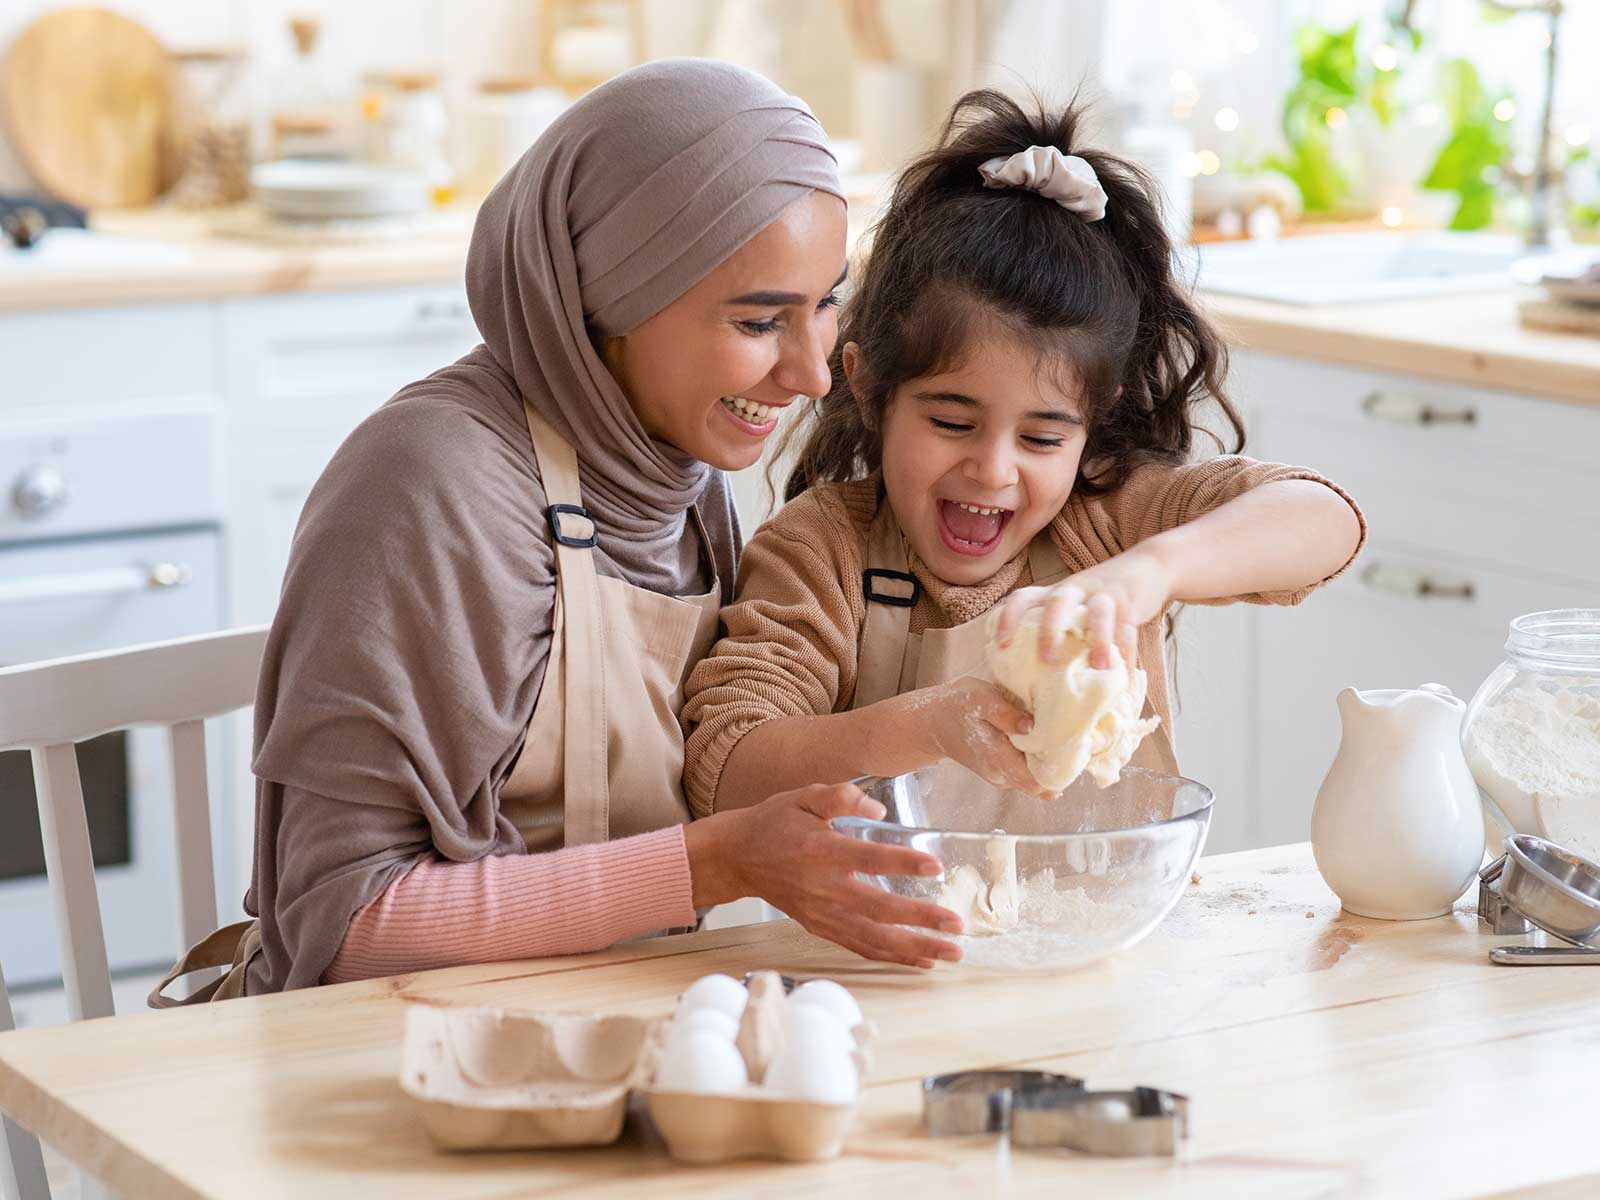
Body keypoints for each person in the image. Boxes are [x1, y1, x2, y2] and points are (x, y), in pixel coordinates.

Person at [153, 59, 961, 1003]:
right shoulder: (430, 488)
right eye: (757, 320)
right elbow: (341, 928)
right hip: (376, 1061)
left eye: (826, 302)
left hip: (599, 1030)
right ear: (605, 303)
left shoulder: (679, 471)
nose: (814, 375)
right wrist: (717, 863)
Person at [680, 89, 1367, 951]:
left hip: (1105, 951)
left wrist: (1149, 570)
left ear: (1094, 421)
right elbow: (730, 771)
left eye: (1043, 435)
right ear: (865, 383)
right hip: (883, 970)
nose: (993, 469)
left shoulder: (1103, 522)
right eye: (952, 422)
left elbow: (1323, 521)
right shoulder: (824, 549)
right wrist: (931, 726)